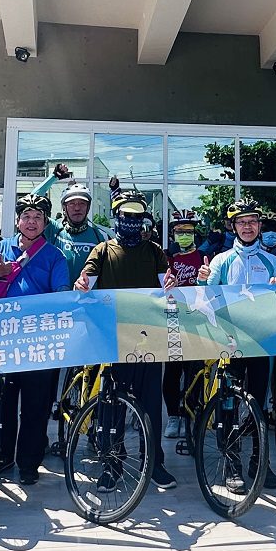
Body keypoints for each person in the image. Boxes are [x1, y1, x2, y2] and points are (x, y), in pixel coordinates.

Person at [76, 189, 179, 490]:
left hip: (150, 340)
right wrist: (81, 284)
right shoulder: (102, 250)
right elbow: (86, 280)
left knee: (150, 405)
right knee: (112, 407)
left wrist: (171, 283)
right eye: (126, 216)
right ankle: (113, 464)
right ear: (117, 217)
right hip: (114, 340)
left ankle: (154, 462)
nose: (131, 222)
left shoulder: (155, 252)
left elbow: (167, 285)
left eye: (137, 217)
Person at [0, 192, 70, 485]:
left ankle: (29, 462)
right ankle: (3, 456)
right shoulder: (1, 247)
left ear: (46, 222)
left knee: (36, 404)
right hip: (2, 337)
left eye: (38, 217)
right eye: (26, 216)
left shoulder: (55, 255)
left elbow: (61, 291)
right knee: (3, 400)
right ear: (18, 220)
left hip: (38, 338)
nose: (31, 222)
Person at [199, 197, 276, 490]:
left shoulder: (273, 261)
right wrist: (202, 281)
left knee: (259, 403)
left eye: (252, 222)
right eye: (241, 222)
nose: (247, 227)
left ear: (259, 225)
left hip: (260, 343)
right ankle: (231, 461)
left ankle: (260, 461)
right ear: (233, 227)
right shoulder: (221, 260)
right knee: (229, 404)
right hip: (230, 342)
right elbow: (207, 302)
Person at [163, 210, 206, 440]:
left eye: (188, 231)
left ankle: (190, 414)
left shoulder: (204, 256)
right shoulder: (166, 257)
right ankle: (173, 415)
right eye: (180, 232)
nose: (184, 235)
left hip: (196, 323)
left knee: (194, 372)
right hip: (171, 321)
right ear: (173, 234)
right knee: (171, 373)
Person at [33, 165, 114, 285]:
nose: (77, 208)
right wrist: (54, 177)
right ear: (64, 208)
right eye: (71, 203)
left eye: (82, 203)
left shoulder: (101, 235)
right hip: (59, 299)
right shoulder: (54, 230)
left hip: (90, 301)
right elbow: (32, 202)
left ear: (88, 207)